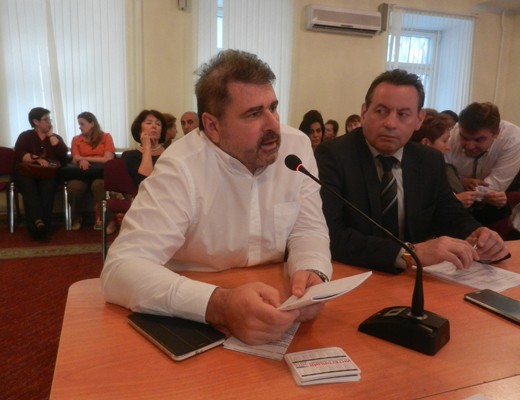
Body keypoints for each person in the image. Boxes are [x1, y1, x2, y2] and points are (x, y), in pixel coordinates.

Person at [101, 49, 332, 345]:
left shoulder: (296, 148)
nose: (273, 125)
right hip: (189, 318)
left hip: (277, 308)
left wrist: (312, 269)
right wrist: (219, 305)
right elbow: (120, 269)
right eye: (253, 114)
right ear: (212, 126)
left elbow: (308, 229)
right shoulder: (181, 166)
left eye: (273, 108)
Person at [314, 69, 508, 274]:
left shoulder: (429, 160)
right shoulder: (333, 156)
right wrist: (410, 253)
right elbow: (331, 234)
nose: (390, 123)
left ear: (419, 119)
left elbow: (450, 215)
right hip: (354, 273)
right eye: (381, 111)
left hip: (413, 278)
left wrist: (478, 233)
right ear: (364, 112)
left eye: (403, 114)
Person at [411, 109, 510, 226]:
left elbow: (473, 215)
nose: (448, 147)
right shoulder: (409, 175)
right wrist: (454, 203)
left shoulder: (447, 170)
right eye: (444, 141)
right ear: (426, 143)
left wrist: (500, 203)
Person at [14, 107, 68, 240]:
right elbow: (20, 153)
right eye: (46, 119)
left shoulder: (55, 138)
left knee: (48, 189)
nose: (49, 122)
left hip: (48, 173)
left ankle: (41, 225)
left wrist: (51, 136)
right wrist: (37, 159)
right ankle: (38, 225)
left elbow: (63, 154)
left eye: (50, 119)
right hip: (28, 172)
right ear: (36, 122)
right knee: (29, 188)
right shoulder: (26, 136)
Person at [445, 102, 520, 193]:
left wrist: (456, 183)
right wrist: (459, 180)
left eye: (478, 140)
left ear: (496, 133)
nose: (470, 146)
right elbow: (439, 176)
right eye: (464, 138)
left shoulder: (513, 139)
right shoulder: (450, 136)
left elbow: (494, 187)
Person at [67, 112, 116, 232]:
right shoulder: (76, 139)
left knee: (99, 185)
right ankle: (76, 217)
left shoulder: (106, 137)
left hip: (100, 173)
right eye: (79, 124)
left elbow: (108, 159)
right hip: (82, 173)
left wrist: (85, 158)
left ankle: (110, 221)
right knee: (74, 187)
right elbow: (75, 158)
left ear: (92, 124)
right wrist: (81, 160)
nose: (80, 127)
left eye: (82, 124)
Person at [124, 109, 167, 186]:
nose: (154, 126)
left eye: (158, 124)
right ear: (139, 130)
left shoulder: (169, 153)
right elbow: (145, 182)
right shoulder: (131, 156)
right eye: (148, 123)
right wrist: (147, 146)